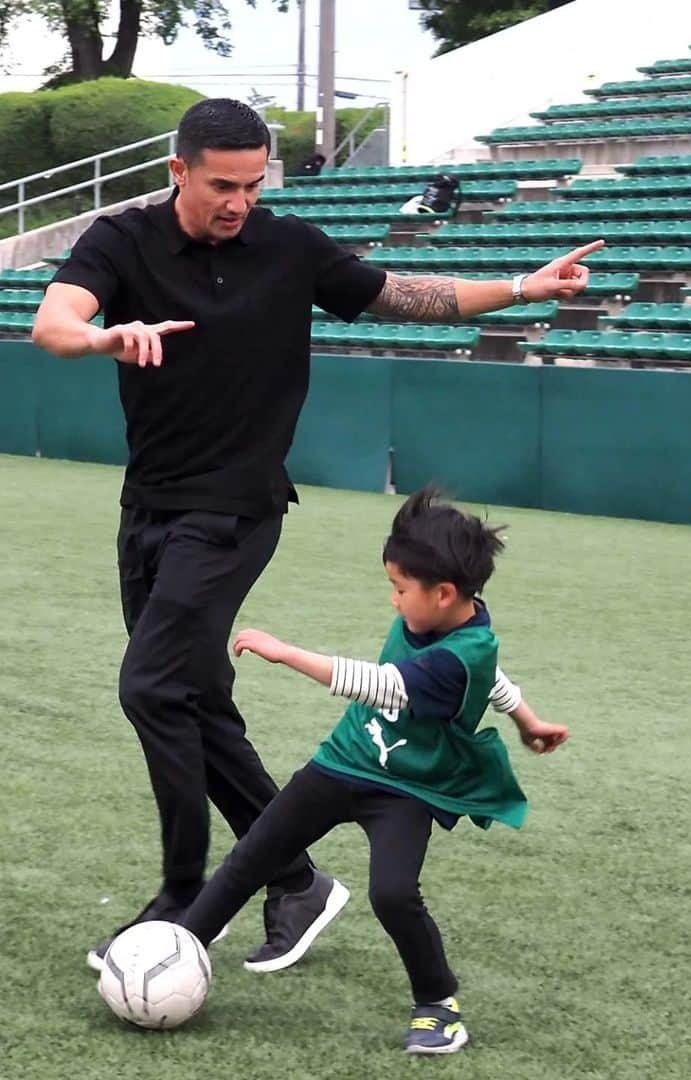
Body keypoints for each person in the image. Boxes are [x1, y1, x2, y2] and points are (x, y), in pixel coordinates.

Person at [30, 98, 596, 973]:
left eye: (254, 185)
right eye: (222, 185)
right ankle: (294, 878)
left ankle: (181, 897)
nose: (238, 202)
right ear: (178, 172)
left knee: (150, 687)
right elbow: (52, 322)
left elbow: (412, 297)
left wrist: (522, 286)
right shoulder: (123, 239)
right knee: (194, 700)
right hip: (148, 507)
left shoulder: (289, 246)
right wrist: (105, 336)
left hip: (235, 510)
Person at [181, 486, 569, 1054]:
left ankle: (439, 1005)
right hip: (345, 760)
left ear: (443, 594)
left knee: (392, 894)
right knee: (256, 851)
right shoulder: (450, 623)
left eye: (400, 589)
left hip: (406, 788)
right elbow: (498, 680)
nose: (393, 601)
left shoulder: (459, 659)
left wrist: (287, 652)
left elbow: (383, 684)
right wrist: (529, 720)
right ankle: (182, 942)